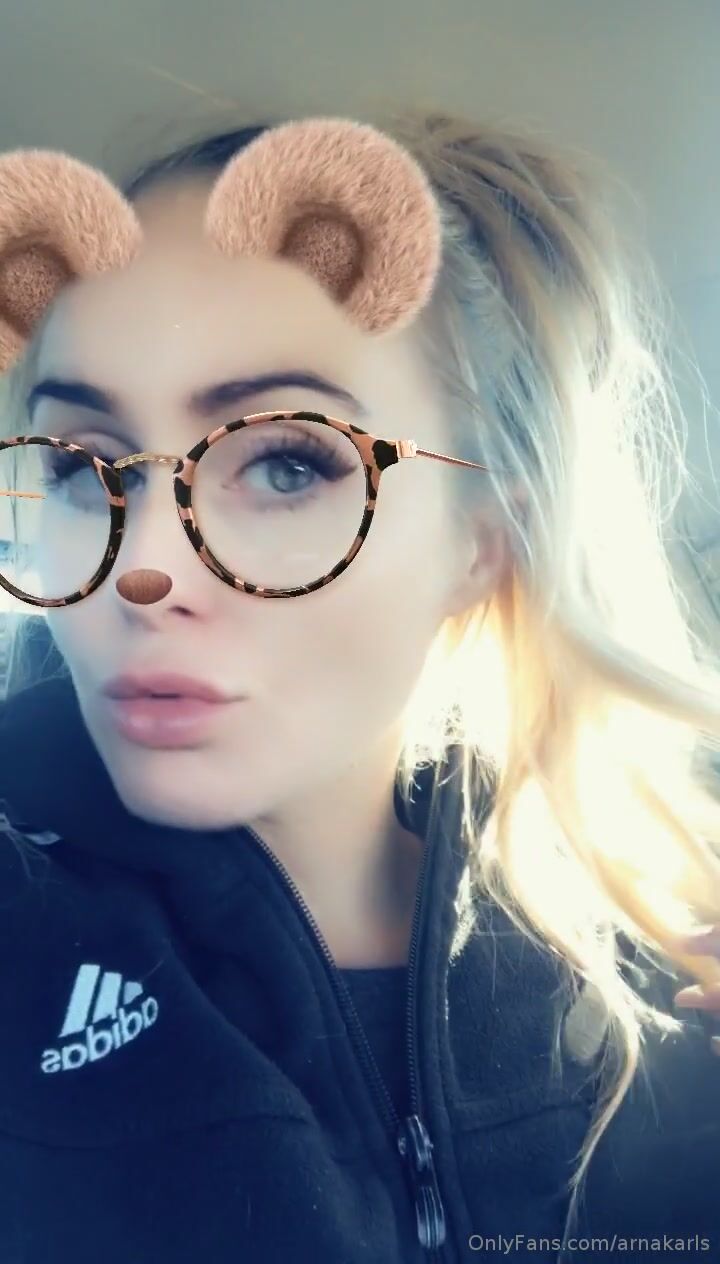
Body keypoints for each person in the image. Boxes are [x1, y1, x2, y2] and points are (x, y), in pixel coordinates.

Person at [0, 110, 719, 1264]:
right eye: (84, 470)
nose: (142, 566)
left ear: (479, 543)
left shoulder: (652, 974)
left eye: (287, 462)